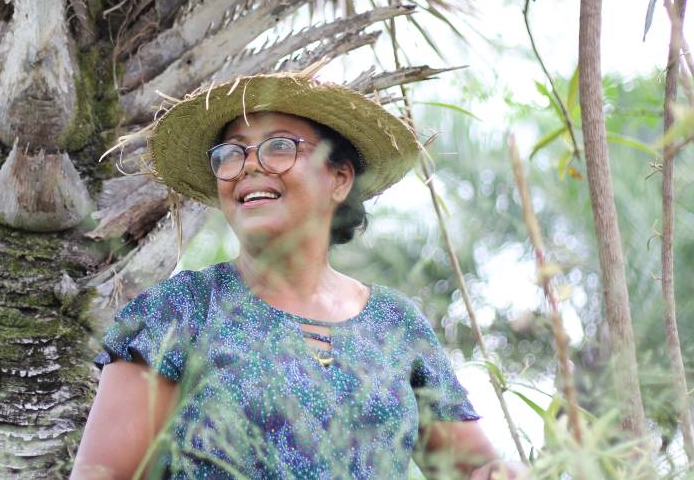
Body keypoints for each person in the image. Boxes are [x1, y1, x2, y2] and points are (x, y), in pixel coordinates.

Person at [72, 74, 525, 479]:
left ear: (339, 178)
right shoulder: (179, 310)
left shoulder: (397, 325)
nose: (249, 165)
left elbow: (475, 470)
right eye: (230, 154)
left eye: (279, 147)